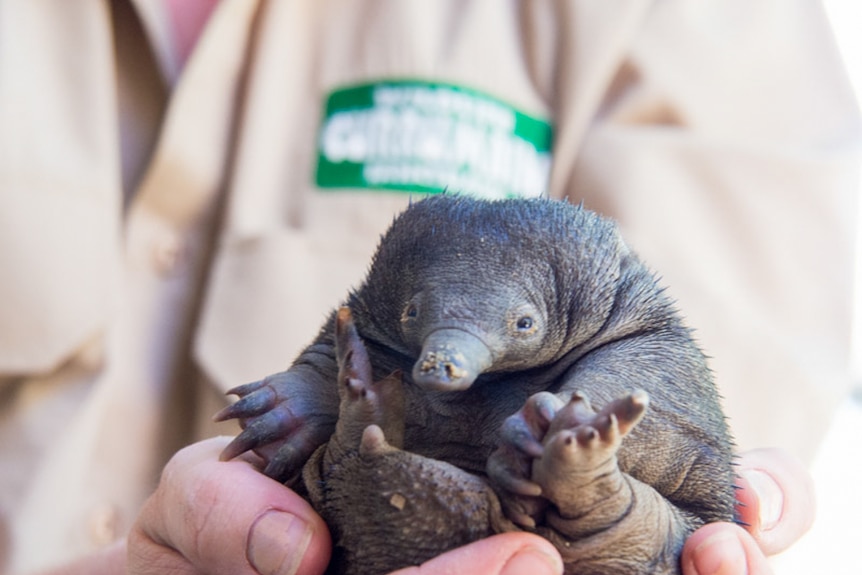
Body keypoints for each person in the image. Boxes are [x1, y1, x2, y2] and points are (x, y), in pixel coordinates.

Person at [0, 0, 857, 574]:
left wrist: (582, 461)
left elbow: (690, 475)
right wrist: (308, 395)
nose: (446, 355)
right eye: (419, 317)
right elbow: (355, 338)